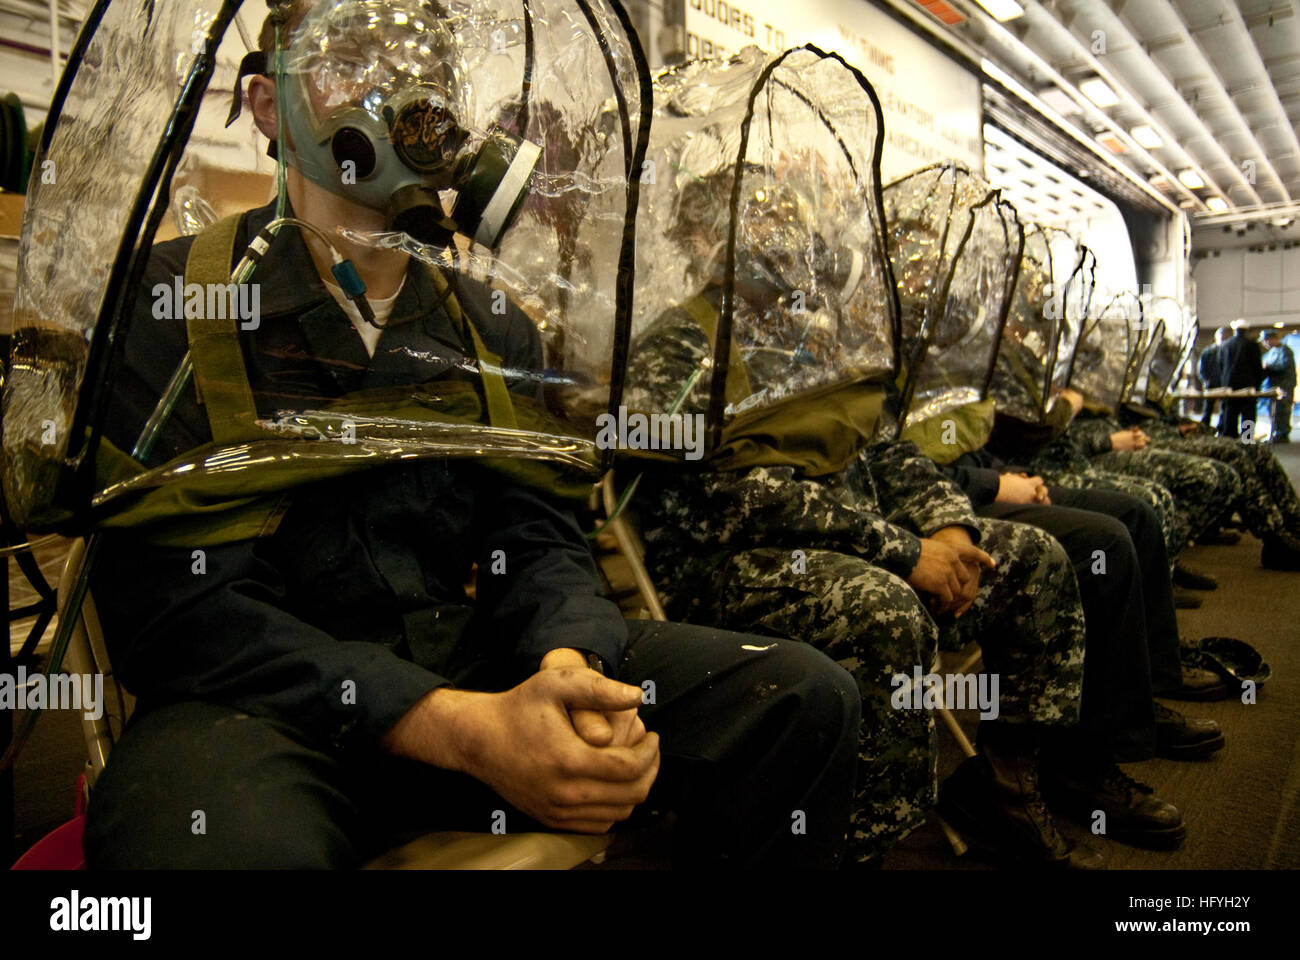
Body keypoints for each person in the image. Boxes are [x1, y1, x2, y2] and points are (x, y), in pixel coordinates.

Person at [80, 0, 862, 869]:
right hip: (264, 711)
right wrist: (455, 729)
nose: (396, 86)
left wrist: (568, 665)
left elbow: (537, 535)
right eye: (350, 59)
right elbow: (180, 609)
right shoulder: (176, 303)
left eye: (421, 64)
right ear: (269, 109)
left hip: (475, 674)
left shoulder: (489, 324)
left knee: (797, 697)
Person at [1217, 320, 1264, 439]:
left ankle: (1229, 437)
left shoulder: (1225, 345)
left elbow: (1221, 366)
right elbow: (1257, 367)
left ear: (1234, 330)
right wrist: (1257, 383)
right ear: (1246, 330)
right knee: (1248, 414)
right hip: (1248, 385)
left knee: (1230, 413)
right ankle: (1247, 438)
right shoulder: (1252, 345)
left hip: (1229, 385)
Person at [1262, 330, 1296, 443]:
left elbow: (1283, 366)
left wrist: (1268, 366)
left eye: (1266, 340)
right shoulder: (1271, 352)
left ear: (1273, 339)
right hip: (1274, 386)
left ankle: (1283, 433)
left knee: (1282, 410)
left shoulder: (1285, 351)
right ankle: (1276, 431)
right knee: (1273, 411)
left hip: (1284, 385)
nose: (1264, 343)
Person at [1197, 327, 1228, 427]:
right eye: (1221, 338)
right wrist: (1206, 380)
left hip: (1224, 383)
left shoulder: (1228, 351)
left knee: (1225, 407)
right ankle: (1204, 426)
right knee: (1208, 407)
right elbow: (1201, 368)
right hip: (1211, 383)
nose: (1223, 340)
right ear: (1216, 338)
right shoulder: (1208, 352)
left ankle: (1221, 427)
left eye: (1225, 338)